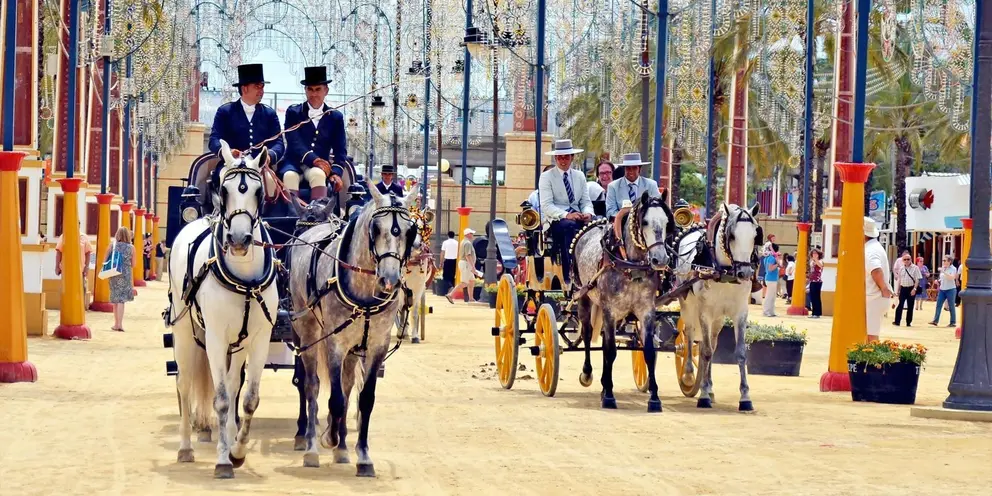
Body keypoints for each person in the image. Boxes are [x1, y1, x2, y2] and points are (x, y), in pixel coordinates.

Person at [208, 63, 285, 197]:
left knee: (270, 181)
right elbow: (214, 140)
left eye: (262, 87)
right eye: (257, 87)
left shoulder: (269, 114)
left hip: (259, 166)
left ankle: (268, 217)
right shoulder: (225, 111)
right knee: (225, 180)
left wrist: (269, 156)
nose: (261, 91)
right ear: (244, 88)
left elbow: (278, 143)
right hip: (231, 165)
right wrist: (228, 153)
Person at [281, 66, 348, 202]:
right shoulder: (293, 113)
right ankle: (291, 216)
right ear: (305, 90)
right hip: (293, 164)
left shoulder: (335, 117)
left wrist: (336, 173)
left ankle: (318, 215)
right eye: (310, 89)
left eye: (318, 90)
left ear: (326, 91)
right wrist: (314, 160)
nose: (314, 94)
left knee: (318, 174)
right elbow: (294, 142)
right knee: (289, 177)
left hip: (318, 168)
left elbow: (340, 150)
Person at [538, 139, 594, 285]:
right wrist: (566, 215)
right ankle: (569, 273)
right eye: (560, 157)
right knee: (569, 226)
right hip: (556, 221)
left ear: (572, 157)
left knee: (598, 223)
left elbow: (585, 201)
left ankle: (594, 267)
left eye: (566, 157)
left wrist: (587, 213)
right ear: (556, 158)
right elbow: (547, 206)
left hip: (578, 216)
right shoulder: (546, 177)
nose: (563, 160)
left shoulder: (580, 176)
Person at [864, 217, 893, 342]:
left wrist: (884, 288)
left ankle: (875, 361)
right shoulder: (874, 246)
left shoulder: (870, 250)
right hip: (874, 298)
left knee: (871, 336)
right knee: (870, 334)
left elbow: (876, 270)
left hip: (874, 298)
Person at [605, 152, 660, 218]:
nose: (631, 171)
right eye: (628, 168)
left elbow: (657, 208)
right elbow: (610, 211)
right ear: (624, 169)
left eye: (634, 168)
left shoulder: (651, 185)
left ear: (639, 169)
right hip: (621, 225)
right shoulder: (613, 186)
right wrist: (627, 220)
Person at [106, 227, 135, 332]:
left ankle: (116, 324)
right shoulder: (131, 248)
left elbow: (105, 260)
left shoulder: (112, 246)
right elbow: (133, 264)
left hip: (114, 273)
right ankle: (120, 324)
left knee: (115, 299)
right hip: (125, 274)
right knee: (122, 300)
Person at [445, 228, 482, 304]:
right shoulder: (467, 243)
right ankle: (451, 295)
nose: (472, 235)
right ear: (468, 234)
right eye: (471, 233)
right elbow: (468, 255)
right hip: (466, 264)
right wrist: (473, 267)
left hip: (465, 263)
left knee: (471, 281)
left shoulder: (463, 242)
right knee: (464, 282)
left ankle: (471, 298)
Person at [55, 222, 94, 295]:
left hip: (80, 270)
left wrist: (87, 267)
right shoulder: (64, 236)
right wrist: (57, 266)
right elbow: (59, 252)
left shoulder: (84, 237)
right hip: (66, 270)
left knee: (81, 291)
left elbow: (88, 253)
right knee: (67, 291)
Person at [892, 252, 922, 326]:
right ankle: (897, 321)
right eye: (904, 259)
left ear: (911, 259)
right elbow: (900, 280)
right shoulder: (901, 268)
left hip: (911, 288)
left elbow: (917, 279)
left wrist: (914, 289)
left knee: (910, 306)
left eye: (908, 259)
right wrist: (898, 290)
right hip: (903, 288)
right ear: (902, 260)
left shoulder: (915, 268)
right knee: (900, 305)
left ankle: (908, 322)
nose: (906, 261)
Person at [929, 255, 959, 327]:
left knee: (951, 306)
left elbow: (951, 278)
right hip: (942, 289)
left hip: (951, 289)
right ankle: (935, 321)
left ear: (950, 261)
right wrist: (938, 281)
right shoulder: (943, 268)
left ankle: (953, 322)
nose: (943, 262)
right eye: (943, 260)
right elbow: (942, 278)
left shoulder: (953, 269)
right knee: (938, 305)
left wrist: (943, 272)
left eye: (945, 260)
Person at [762, 244, 780, 317]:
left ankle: (771, 311)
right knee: (770, 296)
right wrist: (777, 265)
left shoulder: (767, 258)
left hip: (770, 278)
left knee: (772, 296)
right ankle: (766, 311)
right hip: (771, 279)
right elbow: (770, 268)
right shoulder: (772, 258)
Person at [807, 248, 823, 318]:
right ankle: (814, 313)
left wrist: (815, 259)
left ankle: (817, 313)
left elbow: (820, 266)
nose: (814, 255)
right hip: (812, 281)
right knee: (812, 297)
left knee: (817, 297)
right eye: (813, 253)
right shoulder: (812, 262)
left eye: (816, 253)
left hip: (818, 281)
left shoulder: (820, 261)